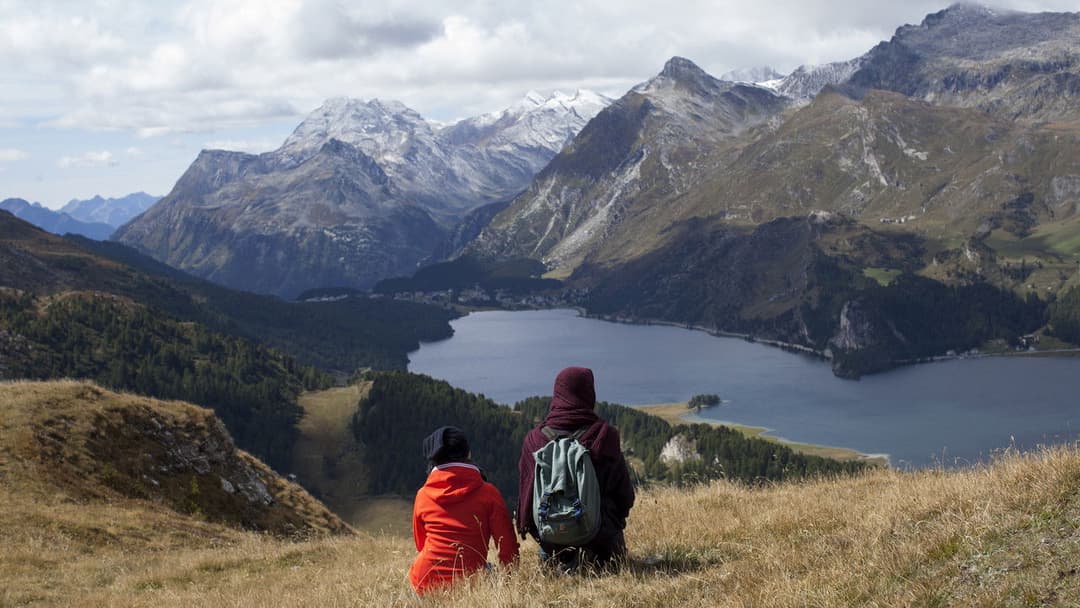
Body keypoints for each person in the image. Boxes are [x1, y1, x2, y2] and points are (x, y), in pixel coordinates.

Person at [517, 366, 635, 571]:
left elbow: (526, 500)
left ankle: (554, 561)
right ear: (589, 393)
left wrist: (545, 534)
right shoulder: (604, 436)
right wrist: (611, 526)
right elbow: (624, 495)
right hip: (602, 541)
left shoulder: (534, 440)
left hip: (551, 541)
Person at [409, 426, 519, 595]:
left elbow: (421, 544)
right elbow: (508, 547)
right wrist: (509, 585)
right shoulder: (488, 493)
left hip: (425, 583)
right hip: (471, 583)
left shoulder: (423, 495)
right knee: (490, 570)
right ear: (468, 454)